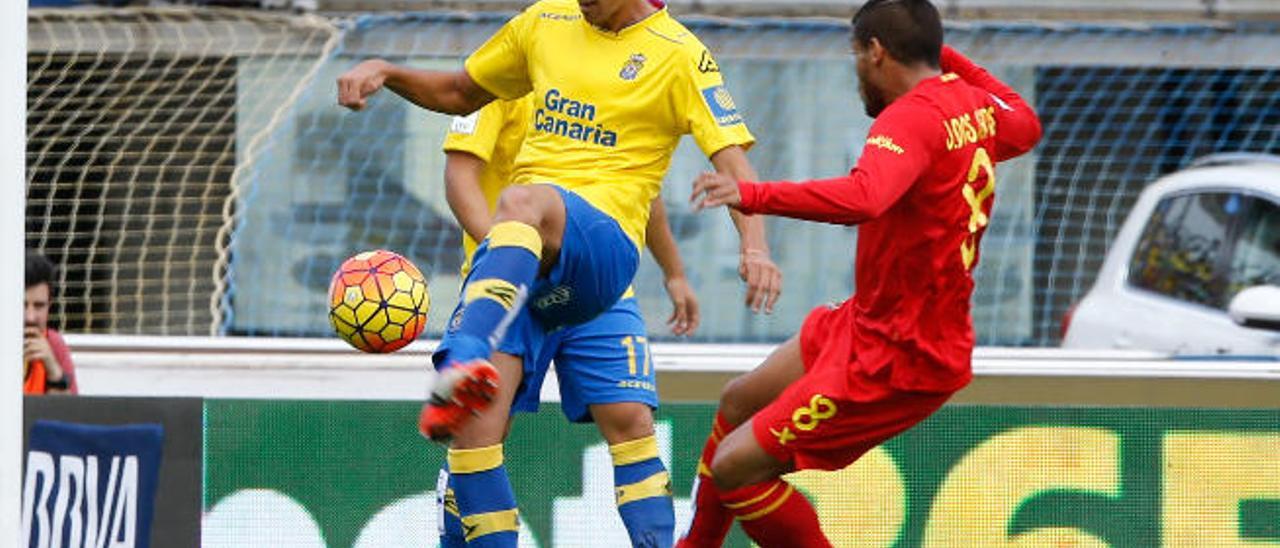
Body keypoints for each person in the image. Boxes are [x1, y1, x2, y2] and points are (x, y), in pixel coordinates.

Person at [338, 0, 782, 546]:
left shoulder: (682, 56)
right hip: (529, 261)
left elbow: (733, 164)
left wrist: (753, 247)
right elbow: (457, 92)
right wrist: (387, 70)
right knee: (472, 436)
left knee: (524, 204)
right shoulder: (543, 23)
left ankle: (465, 354)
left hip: (602, 257)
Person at [677, 1, 1043, 546]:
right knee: (737, 400)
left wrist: (754, 194)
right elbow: (1026, 123)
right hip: (870, 322)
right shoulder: (969, 104)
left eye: (856, 52)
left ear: (876, 52)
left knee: (736, 470)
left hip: (899, 358)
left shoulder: (910, 117)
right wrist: (943, 54)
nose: (855, 68)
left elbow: (865, 196)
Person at [435, 95, 698, 547]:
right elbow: (460, 176)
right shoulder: (494, 77)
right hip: (510, 291)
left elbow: (637, 189)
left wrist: (673, 272)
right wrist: (512, 259)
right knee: (477, 436)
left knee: (632, 420)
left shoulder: (603, 80)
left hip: (590, 285)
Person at [24, 251, 78, 395]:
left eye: (39, 306)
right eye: (22, 305)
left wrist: (53, 369)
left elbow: (68, 414)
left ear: (49, 305)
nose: (30, 318)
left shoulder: (54, 343)